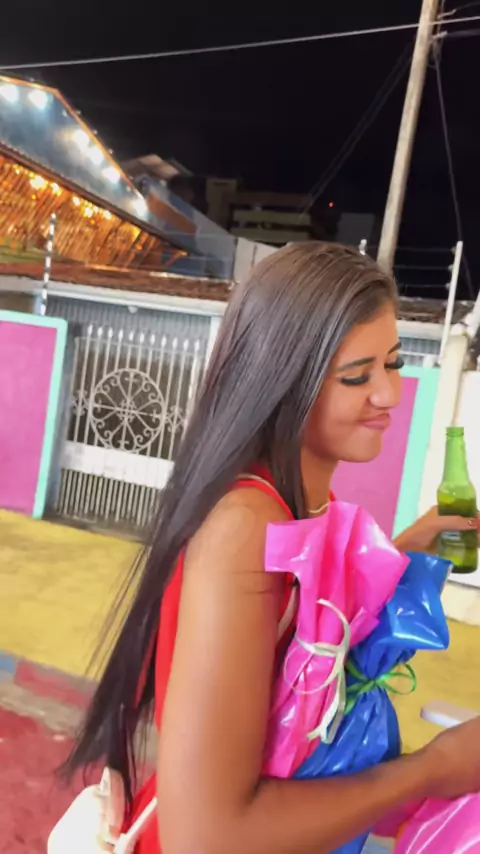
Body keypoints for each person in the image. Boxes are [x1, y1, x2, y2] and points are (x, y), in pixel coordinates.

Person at [64, 242, 480, 854]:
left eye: (392, 364)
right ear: (283, 381)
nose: (389, 394)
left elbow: (306, 656)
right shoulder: (247, 526)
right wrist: (434, 768)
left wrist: (418, 543)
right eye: (358, 376)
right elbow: (206, 838)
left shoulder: (299, 504)